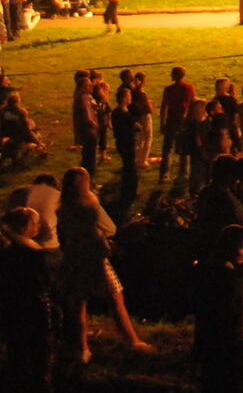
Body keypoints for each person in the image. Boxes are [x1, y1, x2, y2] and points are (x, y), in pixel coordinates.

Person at [55, 165, 150, 362]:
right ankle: (132, 340)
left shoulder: (63, 207)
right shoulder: (90, 205)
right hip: (96, 256)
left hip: (75, 256)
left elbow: (63, 233)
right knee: (116, 299)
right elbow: (111, 228)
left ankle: (83, 349)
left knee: (79, 302)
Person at [191, 224, 243, 393]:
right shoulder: (225, 276)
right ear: (230, 246)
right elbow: (232, 310)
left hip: (209, 341)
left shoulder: (209, 269)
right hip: (225, 344)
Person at [0, 205, 58, 393]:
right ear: (26, 226)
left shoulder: (8, 249)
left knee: (16, 353)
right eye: (36, 222)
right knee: (39, 354)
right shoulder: (33, 252)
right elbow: (46, 282)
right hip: (33, 308)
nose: (40, 226)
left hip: (11, 307)